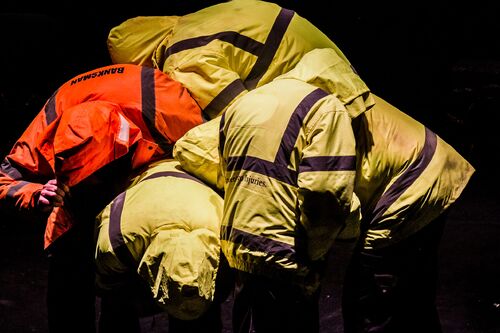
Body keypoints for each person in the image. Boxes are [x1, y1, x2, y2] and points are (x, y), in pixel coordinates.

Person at [172, 48, 475, 332]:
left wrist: (311, 258)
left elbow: (325, 197)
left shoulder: (289, 108)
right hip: (429, 167)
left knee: (375, 300)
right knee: (407, 298)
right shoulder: (304, 106)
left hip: (414, 183)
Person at [0, 63, 202, 333]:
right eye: (84, 177)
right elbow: (3, 179)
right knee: (67, 276)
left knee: (125, 278)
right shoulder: (51, 121)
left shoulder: (169, 111)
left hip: (142, 184)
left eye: (98, 174)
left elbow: (203, 158)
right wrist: (36, 195)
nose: (94, 182)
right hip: (71, 206)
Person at [107, 0, 367, 121]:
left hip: (314, 84)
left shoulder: (180, 57)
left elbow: (239, 116)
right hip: (329, 63)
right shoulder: (199, 19)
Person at [94, 158, 228, 333]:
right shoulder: (119, 241)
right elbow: (105, 284)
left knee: (117, 304)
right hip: (143, 171)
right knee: (117, 302)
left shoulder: (224, 239)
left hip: (182, 168)